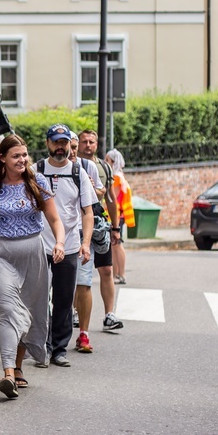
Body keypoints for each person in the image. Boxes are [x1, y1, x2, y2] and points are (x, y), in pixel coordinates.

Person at [0, 134, 65, 399]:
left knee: (28, 311)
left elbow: (54, 219)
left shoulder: (36, 182)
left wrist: (60, 242)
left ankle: (17, 367)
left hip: (33, 255)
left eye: (25, 155)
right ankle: (7, 372)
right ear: (2, 158)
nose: (22, 160)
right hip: (1, 254)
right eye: (16, 155)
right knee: (7, 311)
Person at [33, 124, 94, 368]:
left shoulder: (78, 173)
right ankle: (42, 348)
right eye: (56, 142)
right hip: (39, 245)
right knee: (38, 300)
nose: (60, 147)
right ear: (48, 143)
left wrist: (86, 243)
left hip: (68, 246)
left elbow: (87, 212)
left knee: (63, 300)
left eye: (64, 142)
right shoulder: (36, 170)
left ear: (70, 144)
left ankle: (58, 349)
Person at [76, 130, 123, 338]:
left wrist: (115, 227)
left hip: (100, 226)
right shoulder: (71, 166)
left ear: (97, 144)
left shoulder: (104, 167)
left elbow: (111, 199)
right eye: (84, 141)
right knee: (76, 274)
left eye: (91, 142)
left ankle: (109, 314)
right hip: (78, 227)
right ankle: (75, 312)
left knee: (106, 270)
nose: (88, 145)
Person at [106, 148, 134, 285]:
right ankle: (117, 274)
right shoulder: (119, 176)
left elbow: (113, 199)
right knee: (114, 245)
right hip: (118, 216)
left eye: (107, 160)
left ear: (113, 162)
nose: (106, 163)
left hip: (116, 217)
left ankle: (120, 274)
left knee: (117, 245)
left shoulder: (116, 177)